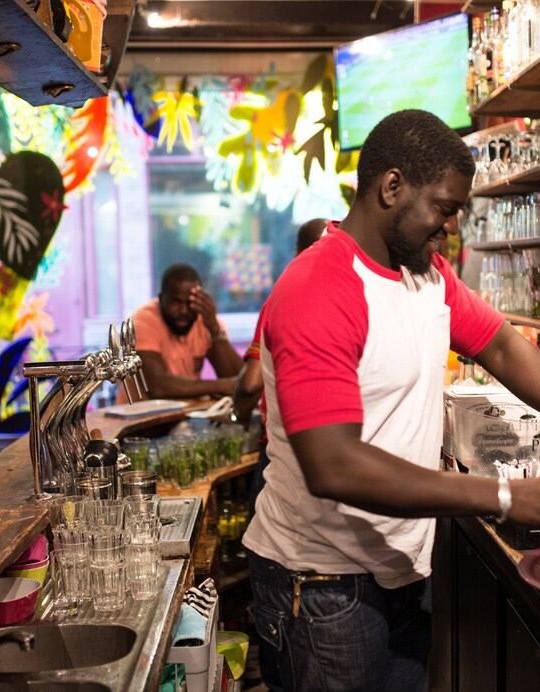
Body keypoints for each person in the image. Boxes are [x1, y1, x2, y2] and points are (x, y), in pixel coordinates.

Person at [242, 110, 540, 691]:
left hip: (395, 578)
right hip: (321, 591)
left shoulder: (427, 276)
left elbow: (499, 344)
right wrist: (502, 496)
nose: (447, 227)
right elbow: (333, 464)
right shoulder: (319, 289)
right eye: (443, 209)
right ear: (391, 187)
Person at [233, 218, 326, 692]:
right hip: (289, 471)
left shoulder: (283, 296)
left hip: (277, 459)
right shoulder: (299, 296)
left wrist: (238, 414)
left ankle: (260, 651)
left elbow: (247, 386)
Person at [232, 218, 328, 427]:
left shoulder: (283, 300)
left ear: (297, 254)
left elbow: (251, 384)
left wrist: (236, 417)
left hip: (288, 439)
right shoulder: (353, 301)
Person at [120, 263, 243, 402]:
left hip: (185, 416)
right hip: (140, 420)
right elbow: (157, 386)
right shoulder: (141, 322)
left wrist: (214, 329)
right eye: (176, 302)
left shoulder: (206, 320)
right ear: (161, 298)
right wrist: (220, 386)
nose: (184, 311)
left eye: (190, 302)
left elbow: (239, 383)